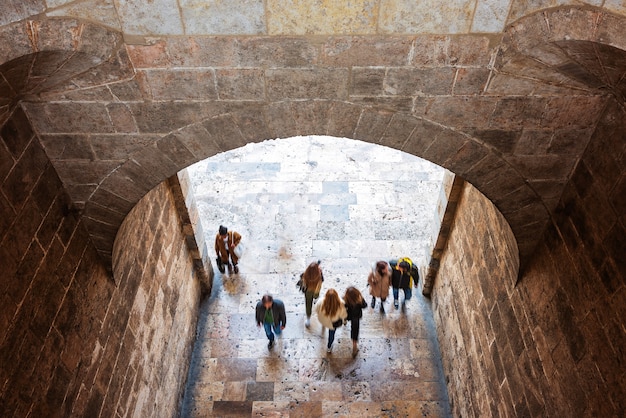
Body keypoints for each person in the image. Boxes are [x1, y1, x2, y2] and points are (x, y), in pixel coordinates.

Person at [315, 288, 348, 353]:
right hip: (333, 324)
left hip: (323, 320)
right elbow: (344, 315)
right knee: (331, 334)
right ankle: (329, 347)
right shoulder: (341, 304)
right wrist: (344, 321)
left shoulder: (321, 301)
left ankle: (323, 326)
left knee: (326, 324)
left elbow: (316, 310)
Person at [344, 286, 368, 357]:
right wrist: (361, 300)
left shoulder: (346, 299)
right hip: (356, 317)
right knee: (355, 331)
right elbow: (365, 306)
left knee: (349, 323)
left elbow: (343, 306)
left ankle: (344, 321)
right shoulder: (359, 300)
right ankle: (354, 346)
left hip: (349, 316)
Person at [301, 260, 324, 328]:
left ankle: (308, 319)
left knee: (308, 304)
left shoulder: (305, 275)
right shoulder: (319, 276)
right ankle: (316, 299)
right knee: (316, 297)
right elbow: (322, 280)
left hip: (308, 292)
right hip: (316, 291)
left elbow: (303, 282)